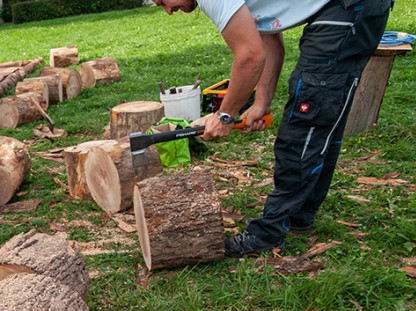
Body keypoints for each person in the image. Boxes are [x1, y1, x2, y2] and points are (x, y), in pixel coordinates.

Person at [154, 0, 392, 257]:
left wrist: (225, 115)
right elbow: (269, 38)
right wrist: (261, 102)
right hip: (351, 8)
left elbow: (250, 55)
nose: (167, 10)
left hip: (346, 8)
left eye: (162, 1)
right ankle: (299, 214)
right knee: (322, 120)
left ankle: (268, 234)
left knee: (303, 123)